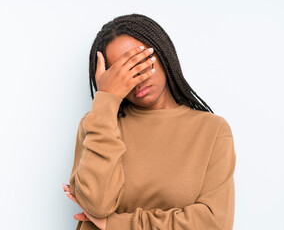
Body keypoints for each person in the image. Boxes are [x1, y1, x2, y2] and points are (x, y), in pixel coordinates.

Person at [62, 13, 236, 230]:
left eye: (140, 62)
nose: (137, 78)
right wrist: (106, 100)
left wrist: (114, 224)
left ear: (162, 53)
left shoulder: (212, 130)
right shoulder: (98, 123)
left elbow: (214, 224)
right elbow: (96, 205)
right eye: (121, 72)